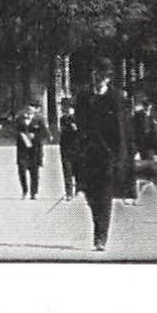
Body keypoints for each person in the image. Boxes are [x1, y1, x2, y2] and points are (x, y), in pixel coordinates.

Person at [74, 60, 131, 251]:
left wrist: (119, 157)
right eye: (94, 74)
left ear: (107, 77)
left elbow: (121, 130)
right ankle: (97, 225)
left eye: (101, 75)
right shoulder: (83, 97)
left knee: (104, 196)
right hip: (87, 155)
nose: (96, 78)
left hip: (108, 155)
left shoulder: (116, 98)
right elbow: (79, 125)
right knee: (91, 196)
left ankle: (100, 236)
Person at [12, 103, 48, 199]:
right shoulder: (19, 118)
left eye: (31, 109)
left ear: (35, 110)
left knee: (34, 171)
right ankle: (25, 190)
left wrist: (35, 136)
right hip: (22, 148)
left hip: (35, 149)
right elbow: (14, 130)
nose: (29, 111)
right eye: (27, 109)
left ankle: (34, 192)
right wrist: (20, 135)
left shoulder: (39, 119)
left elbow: (44, 133)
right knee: (22, 169)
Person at [57, 97, 80, 201]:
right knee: (67, 170)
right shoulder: (62, 119)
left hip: (77, 146)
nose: (63, 110)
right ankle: (69, 192)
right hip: (65, 147)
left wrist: (74, 126)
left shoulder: (77, 118)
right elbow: (63, 131)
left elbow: (79, 132)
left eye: (64, 107)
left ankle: (78, 189)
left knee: (77, 168)